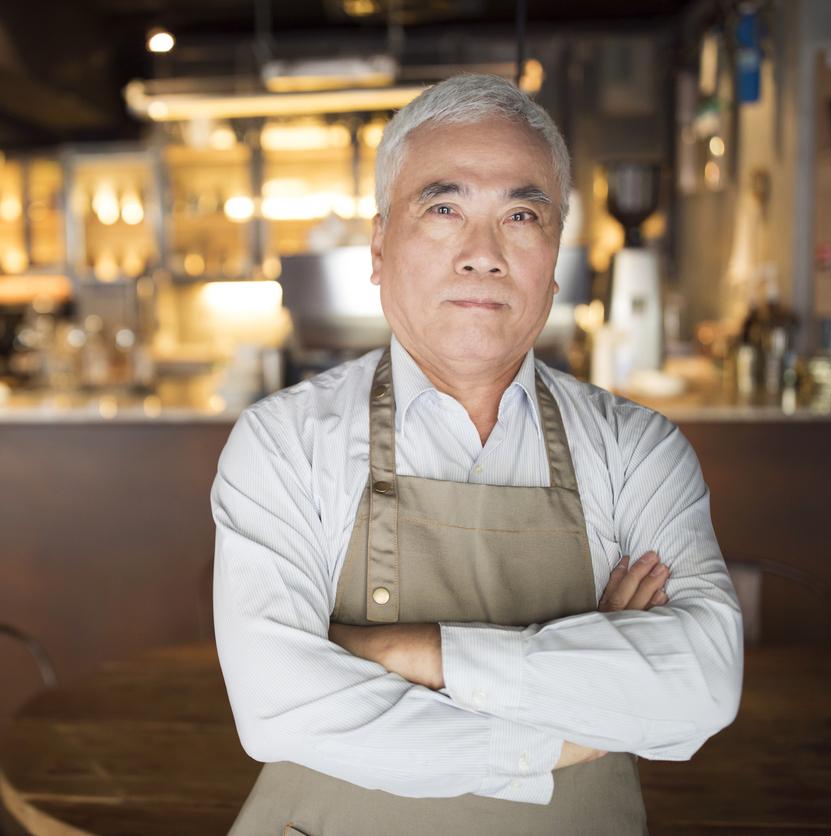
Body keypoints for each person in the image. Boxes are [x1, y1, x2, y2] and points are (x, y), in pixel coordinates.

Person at [210, 73, 743, 836]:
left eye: (521, 214)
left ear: (553, 258)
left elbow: (703, 684)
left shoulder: (637, 449)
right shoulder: (286, 444)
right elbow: (277, 707)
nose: (482, 254)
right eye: (443, 208)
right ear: (379, 246)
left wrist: (410, 652)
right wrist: (576, 728)